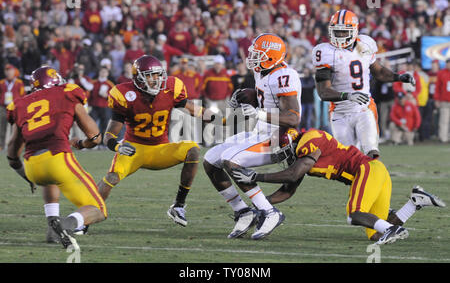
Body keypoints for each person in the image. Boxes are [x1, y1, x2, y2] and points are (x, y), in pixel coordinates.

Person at [231, 127, 445, 244]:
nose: (281, 155)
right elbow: (288, 189)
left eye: (282, 149)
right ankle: (414, 203)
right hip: (375, 172)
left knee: (355, 214)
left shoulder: (308, 141)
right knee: (375, 233)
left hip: (367, 170)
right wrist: (261, 205)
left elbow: (293, 173)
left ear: (291, 143)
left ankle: (393, 229)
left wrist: (255, 176)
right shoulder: (304, 154)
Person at [96, 55, 215, 228]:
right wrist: (117, 146)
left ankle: (178, 206)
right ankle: (86, 216)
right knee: (111, 177)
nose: (156, 80)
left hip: (160, 149)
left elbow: (194, 110)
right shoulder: (124, 94)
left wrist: (220, 119)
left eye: (158, 75)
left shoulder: (170, 88)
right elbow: (109, 135)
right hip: (134, 149)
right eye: (150, 75)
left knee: (193, 150)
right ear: (138, 77)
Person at [203, 33, 302, 240]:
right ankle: (243, 211)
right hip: (260, 133)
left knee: (231, 159)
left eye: (258, 54)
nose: (252, 57)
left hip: (278, 138)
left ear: (271, 56)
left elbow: (293, 118)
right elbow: (265, 98)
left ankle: (269, 212)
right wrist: (248, 95)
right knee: (211, 160)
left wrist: (259, 113)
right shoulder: (263, 72)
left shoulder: (284, 76)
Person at [6, 66, 107, 250]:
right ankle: (65, 225)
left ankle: (52, 226)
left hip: (32, 166)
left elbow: (12, 153)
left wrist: (26, 177)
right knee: (98, 209)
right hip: (57, 157)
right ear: (57, 81)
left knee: (49, 181)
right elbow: (95, 137)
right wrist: (81, 144)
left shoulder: (20, 104)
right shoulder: (67, 92)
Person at [312, 10, 416, 159]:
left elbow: (379, 72)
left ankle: (375, 180)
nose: (339, 35)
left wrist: (398, 77)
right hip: (339, 112)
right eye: (337, 32)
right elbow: (323, 92)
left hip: (364, 108)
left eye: (343, 32)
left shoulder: (365, 44)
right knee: (349, 159)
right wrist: (348, 96)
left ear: (354, 31)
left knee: (371, 152)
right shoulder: (325, 52)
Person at [0, 64, 25, 150]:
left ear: (14, 72)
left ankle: (13, 145)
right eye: (7, 71)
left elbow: (22, 95)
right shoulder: (2, 83)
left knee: (14, 128)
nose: (8, 73)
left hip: (15, 108)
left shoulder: (19, 83)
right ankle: (1, 145)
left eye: (10, 70)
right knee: (2, 127)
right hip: (4, 107)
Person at [434, 59, 450, 143]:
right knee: (444, 120)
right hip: (444, 100)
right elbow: (437, 87)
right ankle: (443, 138)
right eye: (447, 63)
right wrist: (437, 99)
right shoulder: (441, 73)